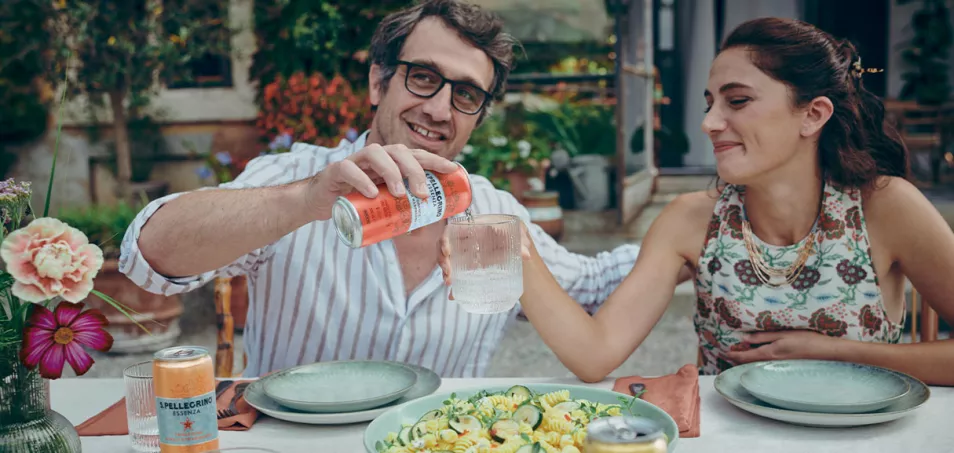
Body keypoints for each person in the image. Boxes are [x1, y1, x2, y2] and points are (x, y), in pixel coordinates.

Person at [119, 0, 646, 378]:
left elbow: (595, 287)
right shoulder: (297, 177)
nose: (439, 109)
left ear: (478, 117)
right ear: (378, 82)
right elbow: (148, 257)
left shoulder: (494, 210)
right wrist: (303, 201)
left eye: (466, 95)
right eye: (423, 77)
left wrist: (682, 236)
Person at [442, 17, 954, 386]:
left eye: (738, 101)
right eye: (710, 103)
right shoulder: (691, 220)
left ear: (813, 115)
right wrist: (514, 246)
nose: (709, 123)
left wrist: (837, 353)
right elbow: (595, 355)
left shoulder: (886, 208)